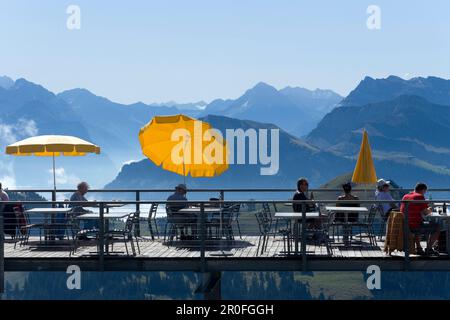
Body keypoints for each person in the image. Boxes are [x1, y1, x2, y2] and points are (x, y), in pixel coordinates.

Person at [400, 182, 440, 256]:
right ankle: (429, 248)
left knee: (420, 221)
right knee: (437, 227)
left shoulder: (405, 196)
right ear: (423, 190)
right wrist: (430, 209)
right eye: (425, 192)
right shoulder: (420, 196)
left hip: (406, 225)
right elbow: (426, 213)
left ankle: (419, 248)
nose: (424, 193)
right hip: (415, 226)